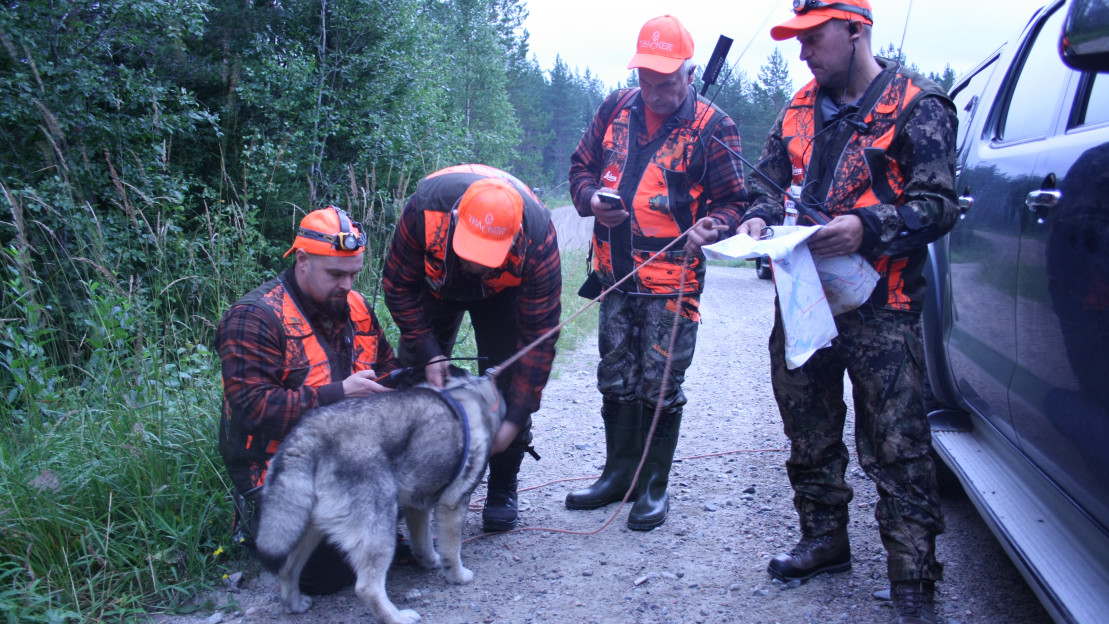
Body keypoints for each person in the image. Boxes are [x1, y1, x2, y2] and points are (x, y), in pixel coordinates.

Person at [736, 1, 960, 622]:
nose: (803, 52)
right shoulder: (799, 107)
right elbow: (766, 182)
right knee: (807, 423)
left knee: (897, 444)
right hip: (805, 300)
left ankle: (913, 577)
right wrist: (756, 216)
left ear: (856, 30)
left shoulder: (920, 106)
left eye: (814, 38)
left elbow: (939, 207)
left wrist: (866, 226)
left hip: (881, 306)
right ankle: (825, 539)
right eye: (798, 39)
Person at [565, 14, 747, 531]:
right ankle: (617, 475)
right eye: (646, 79)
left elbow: (737, 202)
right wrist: (590, 200)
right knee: (614, 376)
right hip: (613, 275)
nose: (654, 91)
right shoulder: (615, 107)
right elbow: (579, 169)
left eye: (666, 83)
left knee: (660, 383)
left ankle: (652, 487)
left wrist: (713, 226)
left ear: (689, 75)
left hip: (673, 283)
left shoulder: (716, 126)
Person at [217, 206, 401, 595]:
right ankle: (252, 519)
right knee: (325, 577)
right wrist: (339, 393)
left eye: (354, 273)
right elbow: (254, 410)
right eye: (336, 274)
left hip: (349, 453)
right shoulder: (255, 317)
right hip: (280, 464)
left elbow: (387, 368)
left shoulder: (356, 307)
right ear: (302, 260)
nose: (347, 285)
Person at [381, 163, 562, 533]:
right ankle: (410, 483)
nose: (475, 263)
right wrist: (430, 350)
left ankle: (502, 487)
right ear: (455, 220)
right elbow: (397, 286)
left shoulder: (538, 238)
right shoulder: (423, 210)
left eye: (487, 255)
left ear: (514, 239)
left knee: (508, 378)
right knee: (416, 374)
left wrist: (513, 421)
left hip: (504, 293)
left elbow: (538, 343)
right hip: (435, 285)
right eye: (471, 250)